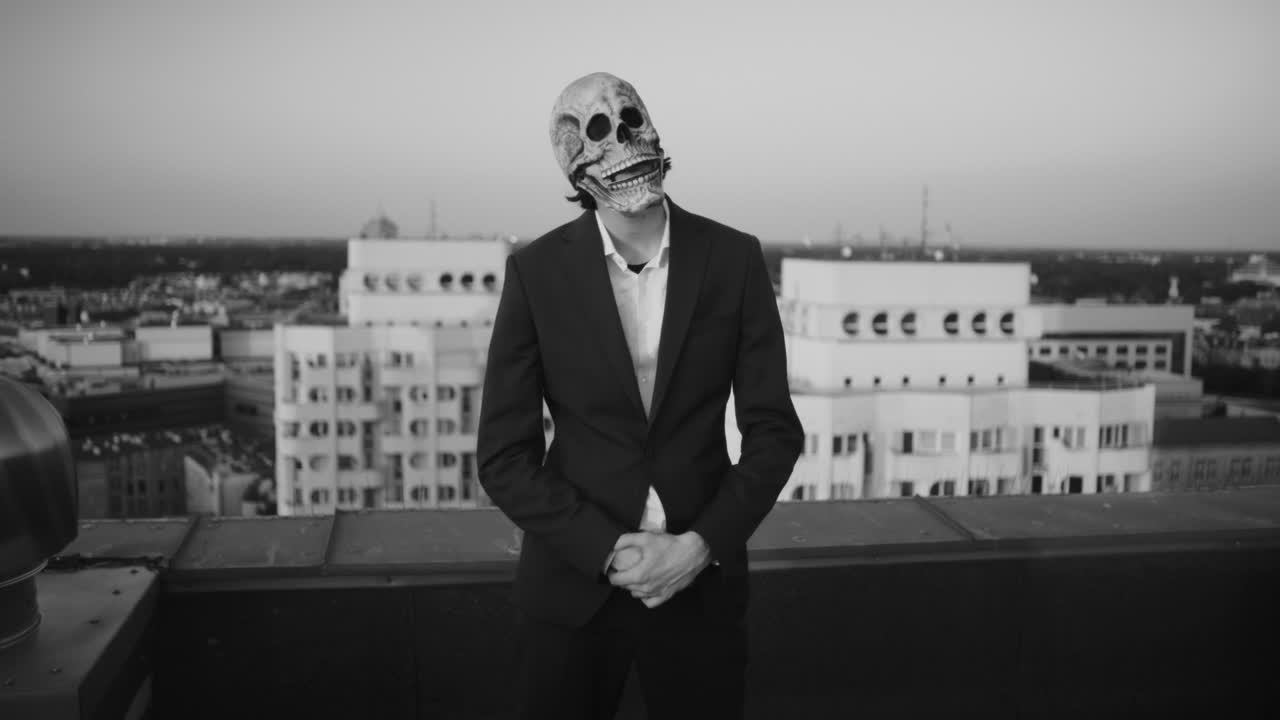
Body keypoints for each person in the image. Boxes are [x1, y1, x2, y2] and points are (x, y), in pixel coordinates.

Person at [477, 72, 803, 720]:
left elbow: (774, 433)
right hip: (571, 595)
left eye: (632, 120)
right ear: (574, 167)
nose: (624, 139)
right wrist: (606, 550)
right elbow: (503, 458)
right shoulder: (534, 275)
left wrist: (699, 546)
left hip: (701, 595)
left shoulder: (735, 260)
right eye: (599, 131)